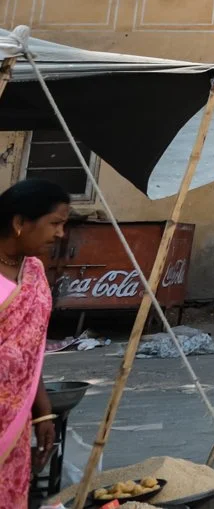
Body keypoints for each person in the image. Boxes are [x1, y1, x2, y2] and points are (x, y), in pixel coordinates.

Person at [0, 179, 69, 504]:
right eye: (54, 223)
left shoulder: (35, 272)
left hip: (14, 425)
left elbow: (31, 352)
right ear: (19, 223)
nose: (61, 234)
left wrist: (42, 412)